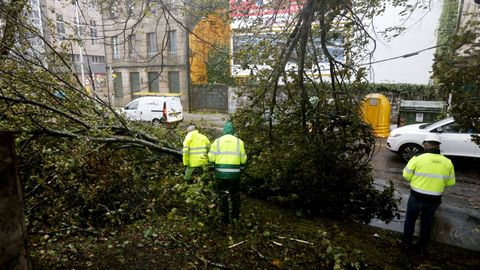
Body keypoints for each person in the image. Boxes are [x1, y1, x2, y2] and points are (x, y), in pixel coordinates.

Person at [401, 133, 455, 255]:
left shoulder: (417, 159)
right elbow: (450, 182)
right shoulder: (448, 162)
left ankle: (406, 244)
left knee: (410, 220)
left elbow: (406, 175)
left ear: (425, 144)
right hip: (434, 199)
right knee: (427, 222)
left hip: (416, 196)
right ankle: (421, 247)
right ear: (438, 146)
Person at [208, 122, 247, 223]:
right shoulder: (239, 142)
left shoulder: (217, 141)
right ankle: (235, 216)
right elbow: (243, 160)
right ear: (233, 131)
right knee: (235, 195)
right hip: (235, 174)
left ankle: (224, 218)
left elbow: (211, 157)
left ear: (224, 131)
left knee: (222, 194)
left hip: (220, 174)